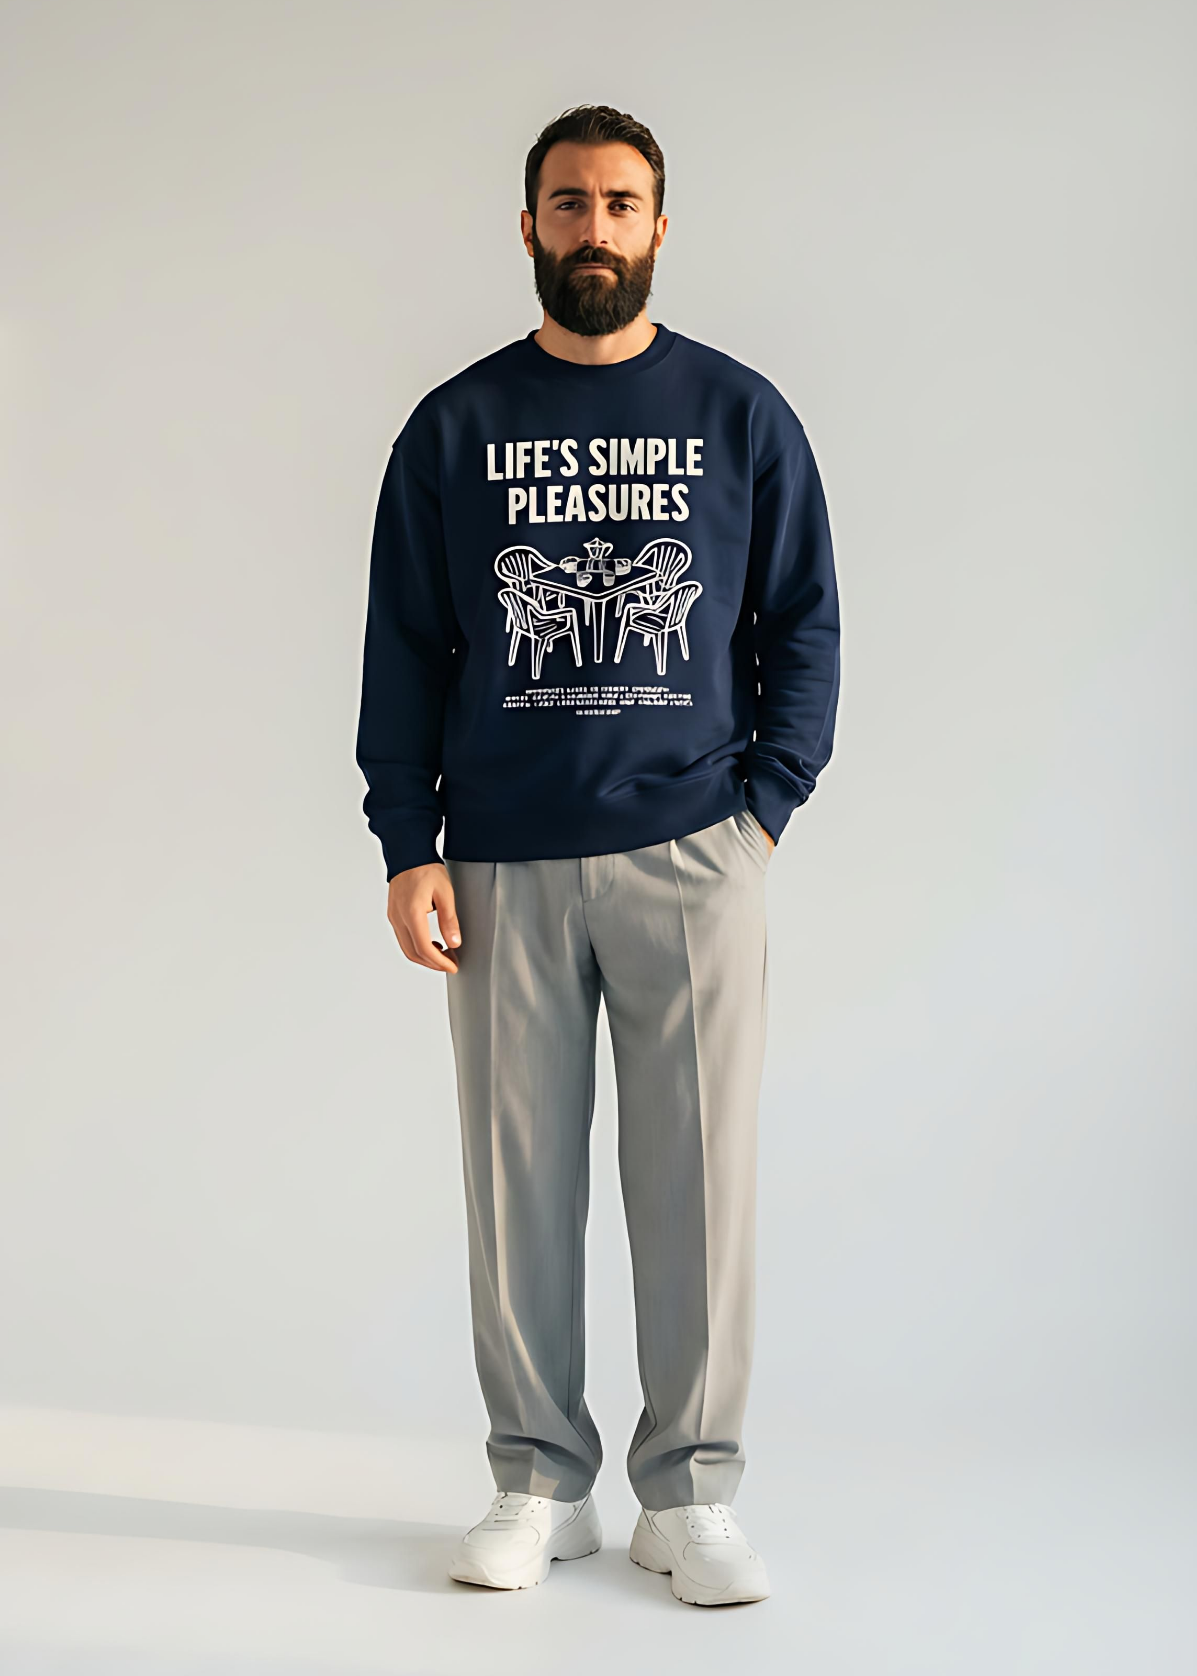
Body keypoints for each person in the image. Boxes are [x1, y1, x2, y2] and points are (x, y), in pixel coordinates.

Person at [355, 103, 840, 1607]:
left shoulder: (737, 414)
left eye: (620, 204)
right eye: (567, 204)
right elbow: (407, 650)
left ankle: (690, 1493)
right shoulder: (456, 428)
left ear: (658, 229)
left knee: (699, 1182)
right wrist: (408, 840)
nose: (593, 228)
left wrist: (761, 810)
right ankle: (535, 1481)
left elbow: (801, 623)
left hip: (692, 853)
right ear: (528, 228)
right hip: (498, 861)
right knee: (519, 1185)